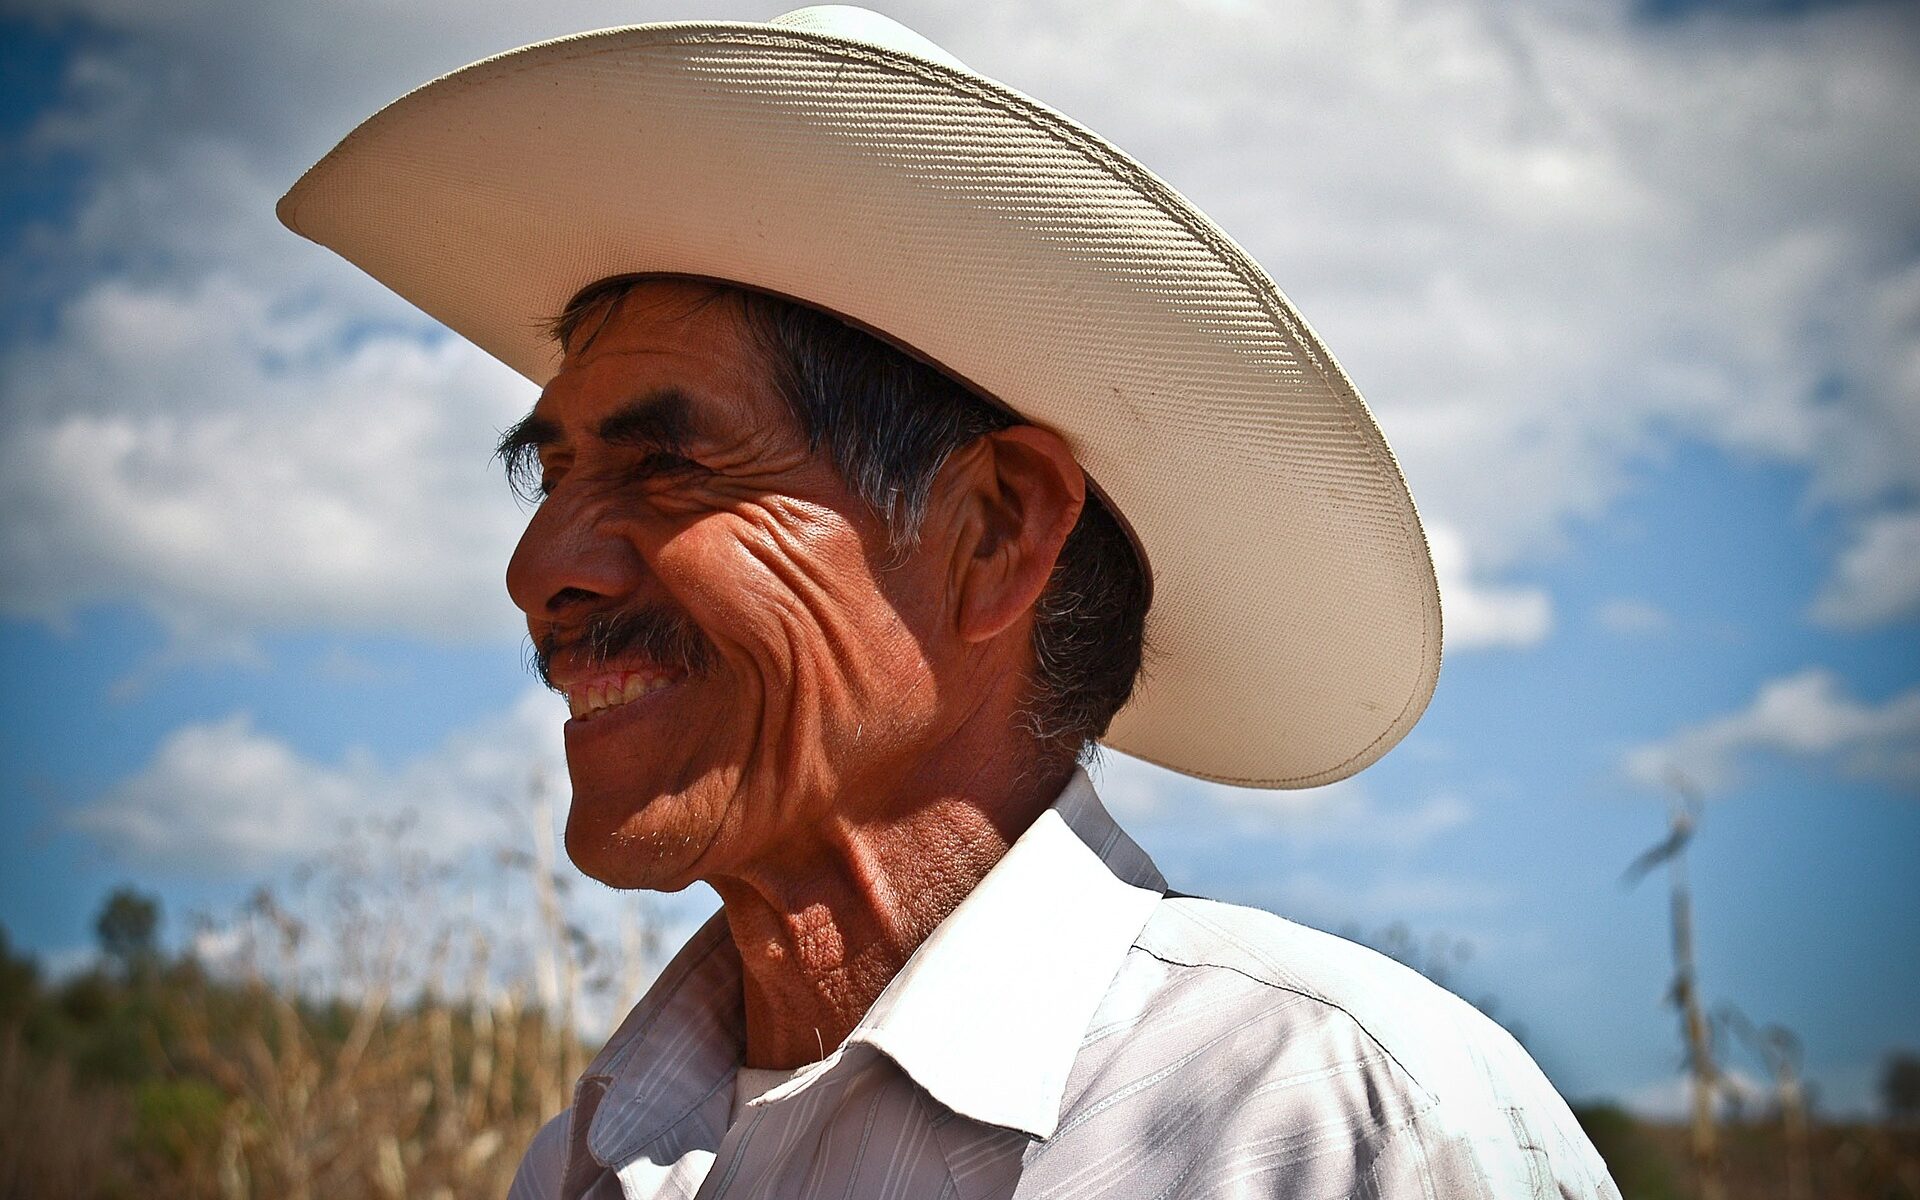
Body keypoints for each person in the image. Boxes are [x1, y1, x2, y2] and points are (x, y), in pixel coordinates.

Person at [281, 7, 1620, 1197]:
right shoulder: (591, 1165)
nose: (541, 571)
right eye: (552, 475)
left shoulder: (1322, 1127)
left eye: (668, 466)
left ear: (992, 533)